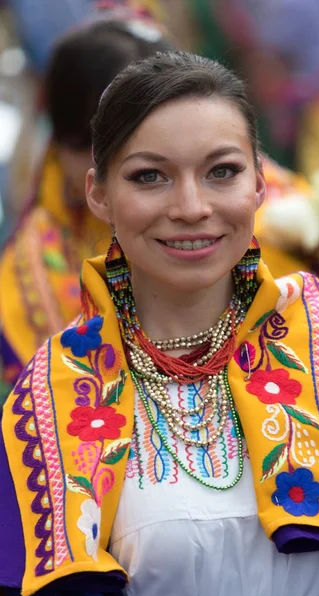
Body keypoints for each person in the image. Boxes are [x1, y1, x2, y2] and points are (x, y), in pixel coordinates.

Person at [2, 51, 319, 596]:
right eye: (150, 176)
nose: (191, 206)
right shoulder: (55, 395)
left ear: (261, 184)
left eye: (222, 171)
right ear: (99, 194)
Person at [0, 13, 172, 403]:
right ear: (61, 144)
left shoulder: (251, 205)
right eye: (96, 150)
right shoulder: (30, 279)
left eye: (152, 163)